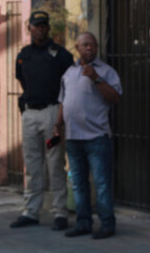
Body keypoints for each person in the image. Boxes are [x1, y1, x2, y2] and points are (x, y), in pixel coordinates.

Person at [54, 32, 122, 239]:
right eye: (85, 45)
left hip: (97, 137)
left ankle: (107, 224)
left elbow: (115, 98)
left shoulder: (107, 71)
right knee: (79, 184)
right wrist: (58, 125)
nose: (89, 49)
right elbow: (63, 102)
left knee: (101, 183)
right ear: (77, 48)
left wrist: (96, 78)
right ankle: (83, 222)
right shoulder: (68, 73)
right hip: (74, 138)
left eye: (92, 45)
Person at [11, 11, 74, 230]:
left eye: (43, 25)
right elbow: (22, 80)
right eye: (36, 25)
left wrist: (59, 117)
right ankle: (31, 211)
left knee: (55, 163)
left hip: (51, 112)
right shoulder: (23, 55)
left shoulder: (61, 54)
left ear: (48, 28)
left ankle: (59, 212)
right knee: (32, 164)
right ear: (30, 28)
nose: (40, 29)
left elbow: (70, 85)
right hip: (30, 113)